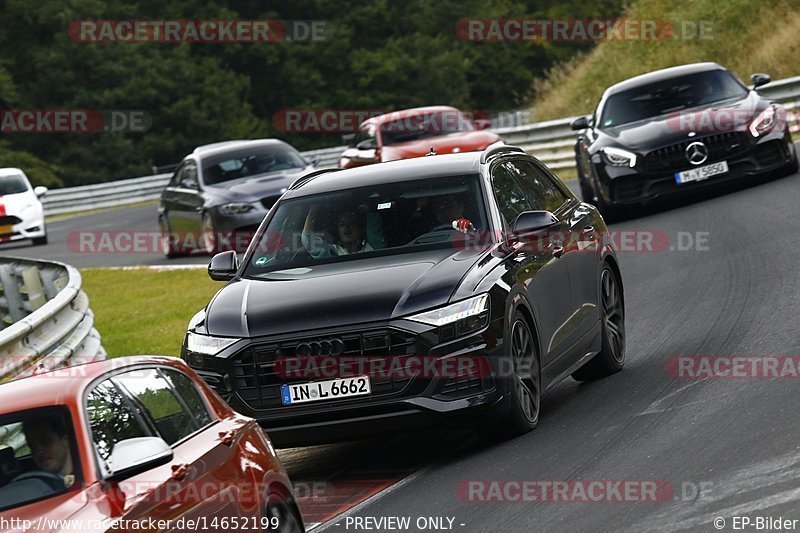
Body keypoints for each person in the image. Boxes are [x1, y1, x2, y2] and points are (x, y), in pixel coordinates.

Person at [22, 413, 75, 488]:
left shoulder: (90, 475)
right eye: (32, 446)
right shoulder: (33, 488)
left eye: (45, 441)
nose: (38, 451)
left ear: (65, 440)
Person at [302, 205, 376, 258]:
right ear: (338, 230)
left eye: (351, 223)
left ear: (360, 226)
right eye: (342, 224)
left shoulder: (374, 245)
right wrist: (313, 211)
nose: (346, 227)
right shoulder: (332, 252)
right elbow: (307, 239)